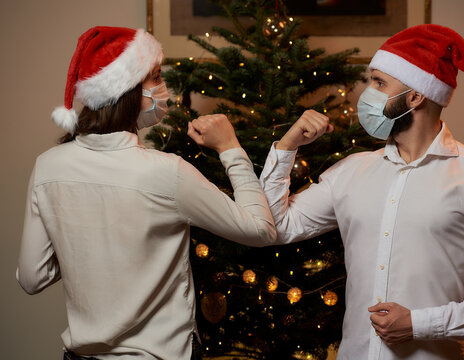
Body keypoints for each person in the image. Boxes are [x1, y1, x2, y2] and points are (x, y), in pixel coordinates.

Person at [258, 24, 464, 359]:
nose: (367, 93)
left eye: (379, 83)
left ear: (416, 95)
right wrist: (287, 147)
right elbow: (273, 225)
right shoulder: (351, 171)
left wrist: (420, 324)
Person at [16, 26, 276, 360]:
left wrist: (84, 244)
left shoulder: (48, 166)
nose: (163, 88)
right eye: (154, 78)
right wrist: (229, 147)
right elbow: (261, 228)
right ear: (126, 91)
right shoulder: (165, 171)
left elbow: (32, 277)